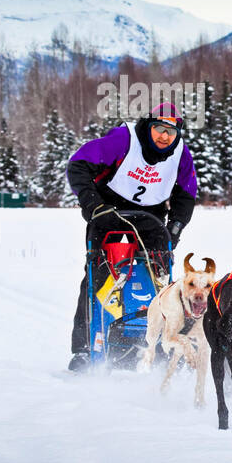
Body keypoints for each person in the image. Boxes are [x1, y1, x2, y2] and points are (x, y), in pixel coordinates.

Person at [66, 102, 199, 372]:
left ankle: (160, 343)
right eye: (159, 129)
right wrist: (94, 206)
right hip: (108, 212)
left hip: (152, 219)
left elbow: (187, 193)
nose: (164, 137)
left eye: (170, 133)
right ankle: (84, 349)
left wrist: (176, 227)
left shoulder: (181, 155)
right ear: (148, 126)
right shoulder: (123, 138)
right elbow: (78, 165)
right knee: (99, 276)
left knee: (159, 280)